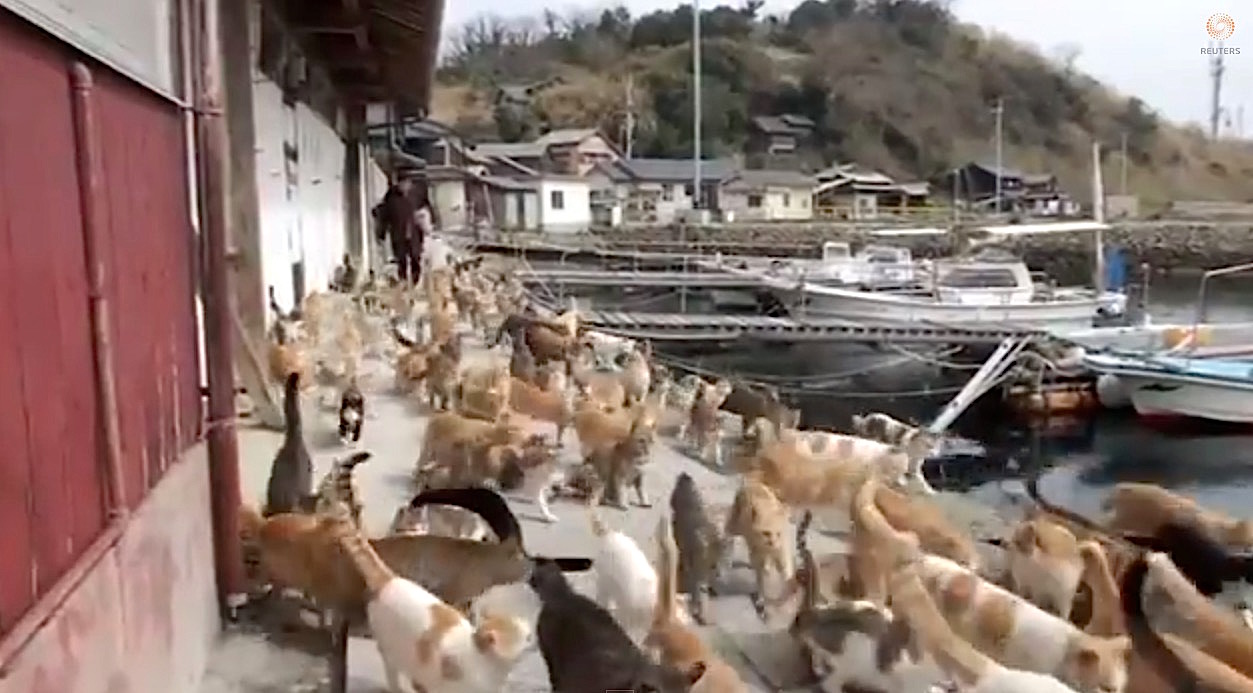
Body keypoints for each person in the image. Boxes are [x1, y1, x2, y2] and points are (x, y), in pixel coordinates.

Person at [372, 169, 425, 284]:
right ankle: (403, 282)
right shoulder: (391, 198)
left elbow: (424, 212)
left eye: (407, 183)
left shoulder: (415, 196)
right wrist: (381, 234)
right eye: (403, 183)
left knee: (415, 257)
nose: (405, 186)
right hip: (398, 233)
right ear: (399, 183)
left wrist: (424, 228)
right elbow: (384, 216)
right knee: (401, 260)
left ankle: (415, 281)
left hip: (414, 234)